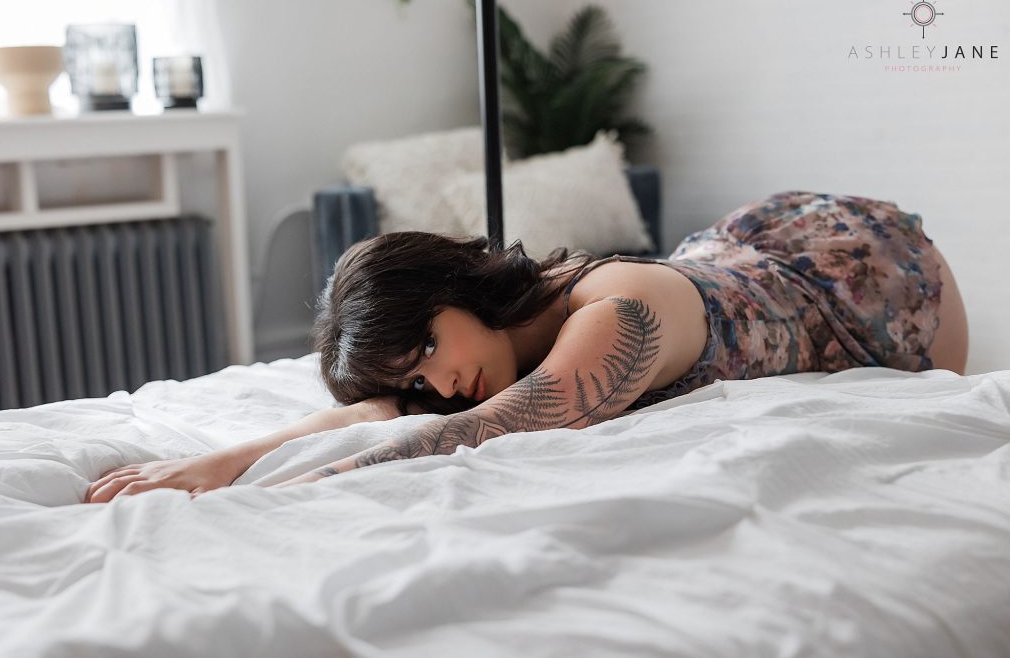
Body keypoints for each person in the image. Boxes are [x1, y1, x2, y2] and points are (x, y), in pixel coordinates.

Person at [84, 190, 969, 503]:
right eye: (416, 374)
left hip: (861, 277)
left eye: (428, 342)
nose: (444, 381)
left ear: (457, 290)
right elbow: (386, 408)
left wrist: (301, 488)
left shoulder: (611, 314)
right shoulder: (474, 353)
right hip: (734, 259)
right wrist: (222, 460)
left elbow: (502, 421)